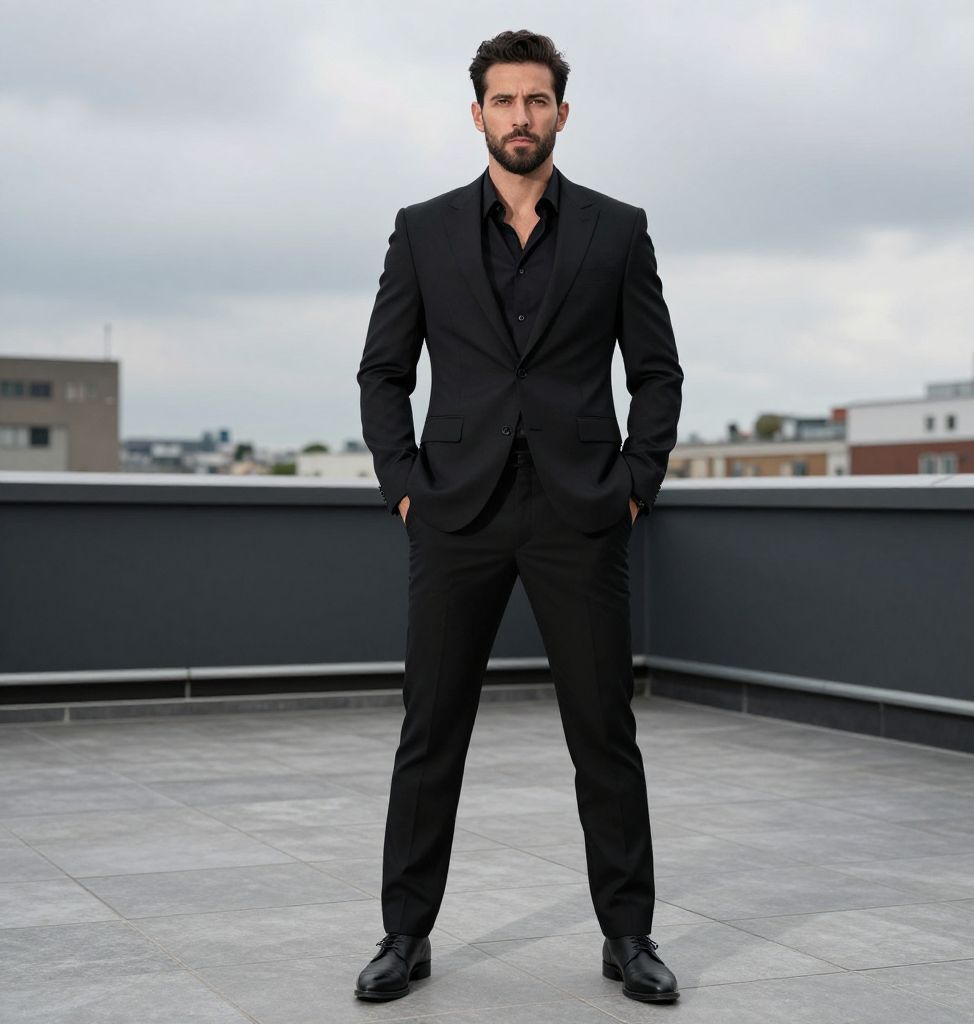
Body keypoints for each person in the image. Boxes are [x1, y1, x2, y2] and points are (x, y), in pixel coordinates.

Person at [355, 29, 684, 1005]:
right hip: (454, 510)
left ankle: (628, 936)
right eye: (503, 101)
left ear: (560, 114)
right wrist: (405, 485)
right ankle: (404, 935)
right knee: (431, 729)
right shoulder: (422, 230)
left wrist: (635, 481)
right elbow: (383, 371)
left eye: (536, 100)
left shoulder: (616, 230)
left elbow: (655, 372)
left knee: (603, 730)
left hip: (580, 510)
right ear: (478, 116)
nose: (520, 117)